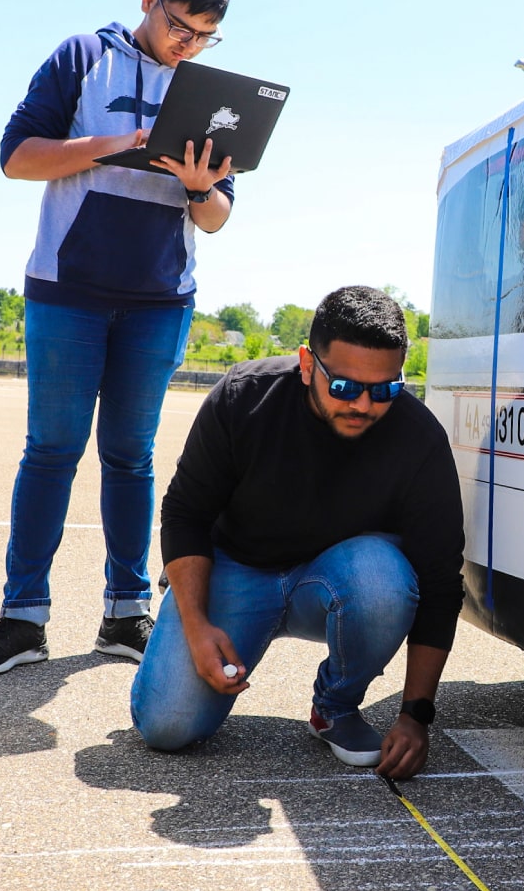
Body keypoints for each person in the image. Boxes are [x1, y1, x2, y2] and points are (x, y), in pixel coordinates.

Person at [0, 0, 237, 676]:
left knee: (131, 457)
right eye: (180, 25)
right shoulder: (82, 56)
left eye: (204, 35)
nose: (187, 44)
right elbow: (18, 156)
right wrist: (120, 146)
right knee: (51, 451)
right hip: (68, 289)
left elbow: (216, 219)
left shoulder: (209, 93)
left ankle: (125, 614)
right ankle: (22, 619)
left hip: (159, 299)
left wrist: (202, 187)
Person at [129, 287, 464, 778]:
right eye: (346, 387)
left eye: (386, 389)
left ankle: (335, 705)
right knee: (167, 726)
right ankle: (184, 607)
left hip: (336, 580)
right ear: (308, 364)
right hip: (237, 567)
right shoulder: (245, 397)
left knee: (384, 578)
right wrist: (197, 626)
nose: (365, 405)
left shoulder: (419, 440)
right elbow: (185, 514)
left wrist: (416, 714)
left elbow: (440, 582)